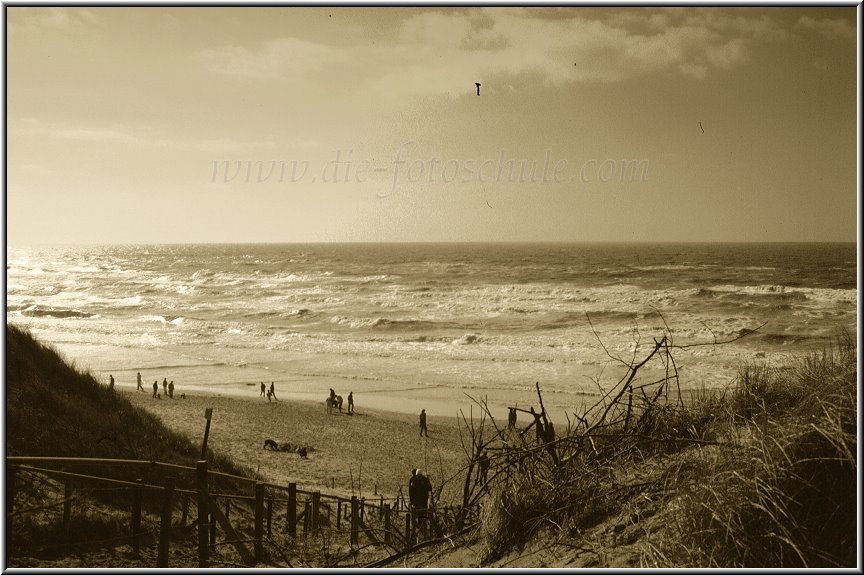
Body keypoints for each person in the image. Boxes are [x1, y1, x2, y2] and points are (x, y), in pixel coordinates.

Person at [408, 468, 433, 541]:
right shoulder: (415, 480)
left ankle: (422, 535)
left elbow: (429, 489)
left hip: (421, 502)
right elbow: (411, 491)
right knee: (418, 519)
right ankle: (420, 535)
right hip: (418, 502)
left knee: (421, 518)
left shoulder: (415, 480)